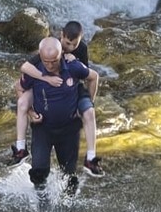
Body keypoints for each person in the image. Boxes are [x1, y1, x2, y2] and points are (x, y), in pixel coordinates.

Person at [10, 21, 105, 176]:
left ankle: (91, 158)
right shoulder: (50, 48)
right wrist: (46, 79)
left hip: (72, 87)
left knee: (89, 112)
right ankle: (21, 148)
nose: (71, 47)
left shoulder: (81, 50)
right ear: (62, 36)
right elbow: (24, 69)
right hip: (42, 86)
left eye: (75, 44)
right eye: (68, 43)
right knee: (22, 103)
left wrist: (87, 101)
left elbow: (88, 76)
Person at [18, 37, 90, 193]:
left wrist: (87, 103)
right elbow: (18, 88)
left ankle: (69, 206)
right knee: (38, 172)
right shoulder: (34, 70)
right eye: (46, 61)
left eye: (54, 61)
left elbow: (93, 77)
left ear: (61, 55)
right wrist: (30, 112)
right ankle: (42, 203)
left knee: (69, 175)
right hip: (43, 128)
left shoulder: (73, 66)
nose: (50, 65)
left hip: (69, 129)